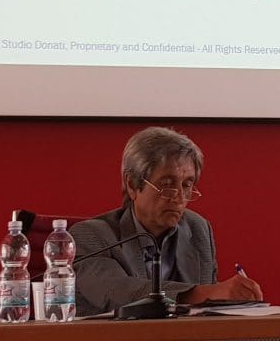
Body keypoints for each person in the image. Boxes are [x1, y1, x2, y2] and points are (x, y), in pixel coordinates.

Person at [71, 126, 263, 316]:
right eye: (167, 184)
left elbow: (207, 312)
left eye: (187, 185)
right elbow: (119, 292)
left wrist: (230, 298)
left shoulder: (198, 229)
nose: (179, 197)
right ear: (132, 184)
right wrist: (204, 294)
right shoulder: (90, 236)